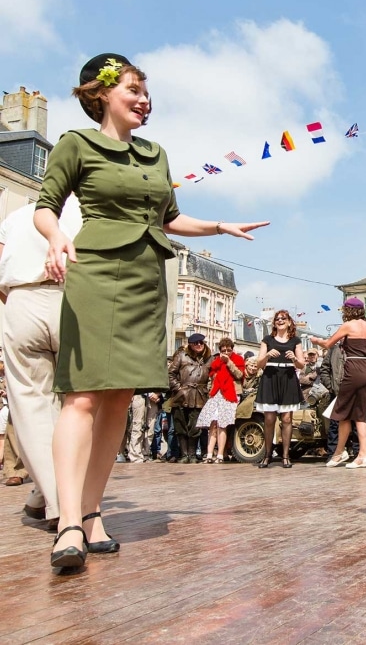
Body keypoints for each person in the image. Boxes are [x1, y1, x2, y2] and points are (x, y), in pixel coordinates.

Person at [34, 53, 269, 571]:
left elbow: (171, 218)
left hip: (146, 279)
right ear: (102, 94)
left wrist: (221, 227)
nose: (145, 100)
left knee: (119, 400)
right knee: (82, 399)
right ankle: (68, 520)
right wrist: (55, 240)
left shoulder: (156, 154)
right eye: (134, 90)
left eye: (147, 92)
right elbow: (46, 206)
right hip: (94, 272)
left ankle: (93, 512)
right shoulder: (77, 144)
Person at [0, 196, 82, 524]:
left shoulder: (18, 215)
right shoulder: (89, 210)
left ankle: (48, 495)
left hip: (21, 297)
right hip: (73, 299)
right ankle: (60, 502)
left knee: (32, 408)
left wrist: (14, 299)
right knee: (74, 406)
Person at [311, 297, 366, 469]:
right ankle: (362, 455)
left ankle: (341, 453)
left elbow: (328, 343)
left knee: (341, 413)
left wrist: (315, 341)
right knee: (360, 416)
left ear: (348, 310)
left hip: (353, 372)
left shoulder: (348, 325)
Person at [255, 310, 305, 468]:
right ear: (274, 323)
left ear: (289, 322)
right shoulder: (267, 339)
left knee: (287, 419)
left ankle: (285, 456)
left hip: (288, 377)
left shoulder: (295, 340)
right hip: (270, 377)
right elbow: (259, 364)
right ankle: (268, 454)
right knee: (269, 419)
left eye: (283, 318)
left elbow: (302, 365)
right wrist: (267, 355)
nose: (280, 320)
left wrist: (294, 359)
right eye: (277, 319)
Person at [197, 338, 244, 463]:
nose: (227, 352)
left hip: (231, 393)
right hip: (217, 393)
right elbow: (212, 375)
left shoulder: (238, 359)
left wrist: (229, 362)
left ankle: (220, 455)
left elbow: (239, 375)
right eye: (224, 350)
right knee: (213, 424)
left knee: (222, 424)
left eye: (229, 350)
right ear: (220, 351)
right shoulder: (216, 362)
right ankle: (209, 454)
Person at [169, 333, 213, 463]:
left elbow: (214, 376)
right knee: (180, 426)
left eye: (201, 342)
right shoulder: (181, 356)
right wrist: (179, 388)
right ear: (190, 344)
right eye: (196, 343)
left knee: (195, 427)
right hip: (182, 395)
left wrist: (209, 391)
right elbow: (170, 374)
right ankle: (184, 455)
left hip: (199, 396)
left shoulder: (209, 359)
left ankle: (192, 455)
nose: (199, 345)